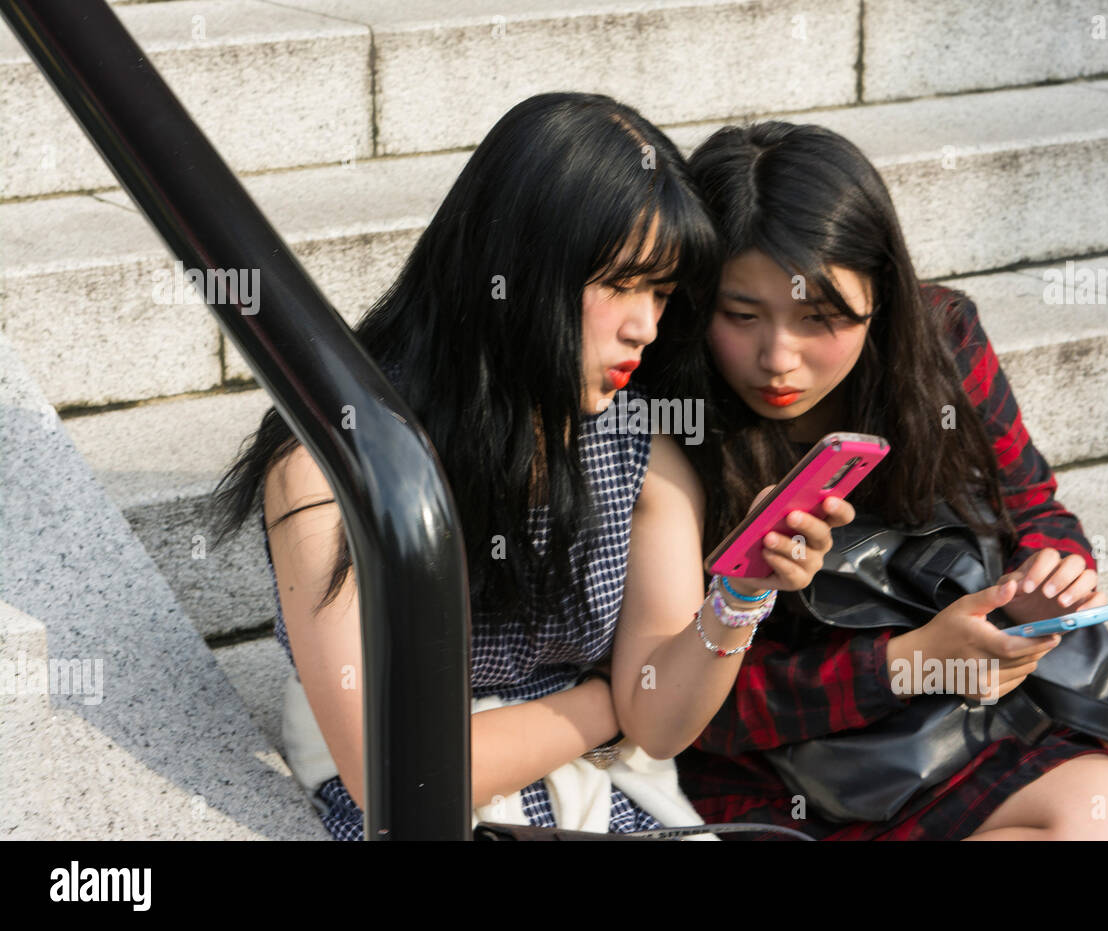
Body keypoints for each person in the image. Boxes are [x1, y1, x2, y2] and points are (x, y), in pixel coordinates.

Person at [209, 94, 852, 840]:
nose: (645, 324)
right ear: (518, 267)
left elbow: (660, 719)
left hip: (600, 797)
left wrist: (739, 595)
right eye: (618, 283)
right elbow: (398, 774)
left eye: (662, 292)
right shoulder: (331, 468)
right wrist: (597, 707)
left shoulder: (640, 449)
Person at [643, 120, 1108, 840]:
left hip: (1000, 693)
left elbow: (1035, 507)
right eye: (742, 315)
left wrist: (1047, 580)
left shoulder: (941, 343)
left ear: (880, 295)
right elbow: (686, 708)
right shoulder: (675, 425)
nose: (778, 358)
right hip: (816, 765)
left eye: (820, 317)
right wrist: (906, 663)